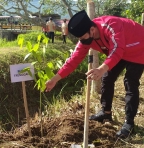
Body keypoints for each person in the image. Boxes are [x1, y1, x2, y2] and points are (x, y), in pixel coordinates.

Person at [45, 10, 144, 139]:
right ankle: (106, 112)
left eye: (82, 37)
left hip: (138, 47)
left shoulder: (110, 25)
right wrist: (55, 79)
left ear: (92, 29)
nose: (82, 41)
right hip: (119, 51)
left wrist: (101, 68)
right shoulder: (87, 38)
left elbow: (117, 49)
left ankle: (129, 123)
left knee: (130, 82)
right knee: (107, 78)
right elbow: (73, 60)